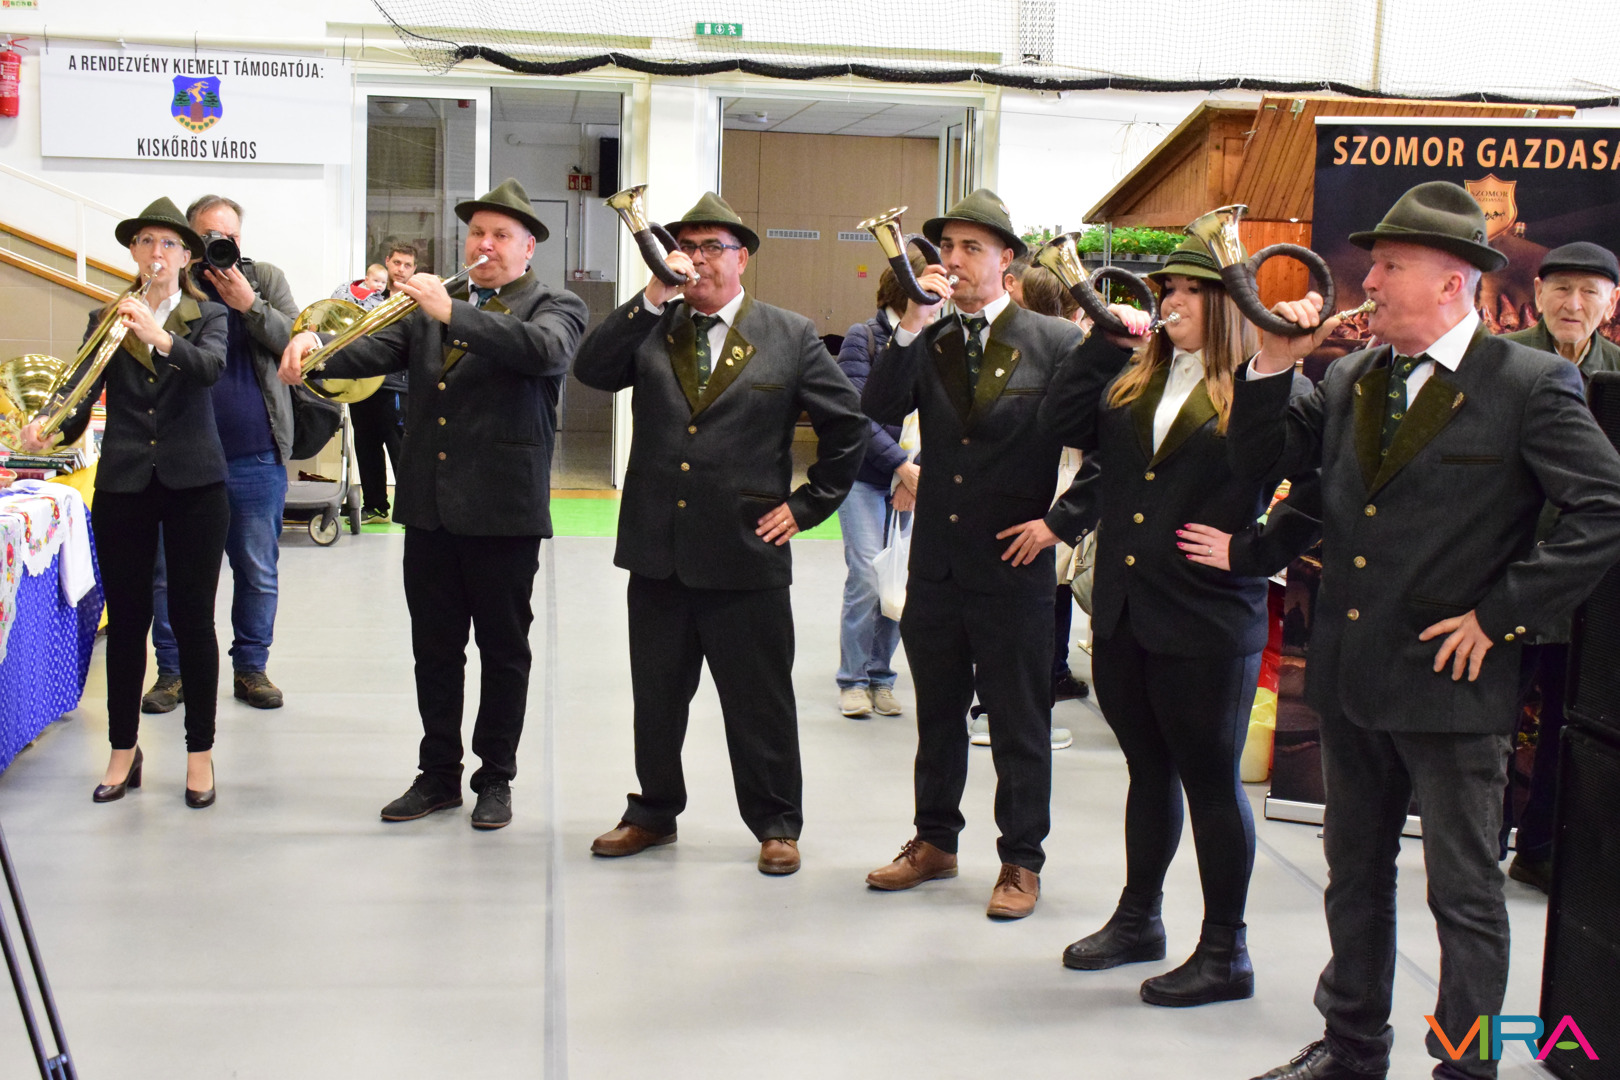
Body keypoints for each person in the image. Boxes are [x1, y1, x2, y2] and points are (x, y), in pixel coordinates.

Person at [1232, 182, 1620, 1080]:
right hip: (1353, 677)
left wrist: (1501, 616)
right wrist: (1271, 366)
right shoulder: (1352, 377)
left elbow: (1604, 507)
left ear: (1452, 283)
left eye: (1390, 266)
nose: (1368, 281)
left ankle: (1466, 1066)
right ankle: (1352, 1045)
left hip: (1454, 688)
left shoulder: (1527, 383)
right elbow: (1268, 463)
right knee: (1354, 876)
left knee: (1464, 895)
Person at [1038, 233, 1319, 1007]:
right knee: (1148, 771)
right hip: (1127, 612)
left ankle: (1226, 950)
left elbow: (1317, 486)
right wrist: (1103, 340)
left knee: (1211, 782)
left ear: (1229, 305)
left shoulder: (1271, 388)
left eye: (1192, 290)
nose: (1172, 301)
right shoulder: (1137, 376)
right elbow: (1059, 423)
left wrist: (1254, 551)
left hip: (1208, 621)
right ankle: (1139, 920)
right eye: (1168, 290)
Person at [279, 178, 588, 830]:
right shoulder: (430, 308)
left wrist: (453, 314)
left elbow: (545, 353)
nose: (484, 245)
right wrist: (314, 346)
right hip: (430, 509)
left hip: (503, 512)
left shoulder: (554, 304)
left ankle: (495, 777)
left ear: (528, 247)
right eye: (476, 233)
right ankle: (439, 774)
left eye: (500, 235)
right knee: (435, 650)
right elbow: (369, 349)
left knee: (504, 652)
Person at [575, 192, 866, 876]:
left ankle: (777, 822)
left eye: (714, 247)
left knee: (759, 700)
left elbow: (847, 427)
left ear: (742, 260)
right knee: (656, 697)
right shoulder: (655, 325)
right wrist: (652, 296)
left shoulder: (789, 334)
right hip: (658, 550)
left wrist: (807, 506)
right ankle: (652, 812)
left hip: (746, 549)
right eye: (688, 246)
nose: (699, 259)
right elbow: (591, 371)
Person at [861, 189, 1128, 919]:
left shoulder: (1055, 341)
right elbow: (874, 412)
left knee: (1019, 723)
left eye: (971, 248)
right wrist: (911, 324)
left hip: (1015, 565)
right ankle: (934, 842)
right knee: (937, 718)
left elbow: (1113, 446)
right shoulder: (930, 336)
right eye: (947, 247)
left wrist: (1060, 524)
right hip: (938, 566)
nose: (954, 260)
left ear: (1007, 260)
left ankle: (1021, 861)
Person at [23, 197, 229, 807]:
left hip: (196, 485)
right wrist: (49, 428)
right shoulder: (105, 317)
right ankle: (122, 750)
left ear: (186, 256)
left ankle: (199, 753)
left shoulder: (208, 315)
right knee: (129, 621)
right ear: (134, 253)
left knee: (193, 620)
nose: (155, 253)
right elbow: (79, 395)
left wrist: (158, 336)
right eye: (145, 242)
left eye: (168, 244)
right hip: (126, 482)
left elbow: (210, 370)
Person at [139, 195, 299, 716]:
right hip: (181, 458)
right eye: (208, 236)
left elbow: (300, 344)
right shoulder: (174, 284)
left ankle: (251, 668)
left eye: (228, 237)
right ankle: (173, 671)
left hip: (255, 453)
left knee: (257, 569)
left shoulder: (264, 279)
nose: (218, 245)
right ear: (189, 241)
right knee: (171, 572)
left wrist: (249, 304)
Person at [1499, 241, 1620, 892]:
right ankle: (1479, 845)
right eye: (1562, 289)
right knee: (1490, 721)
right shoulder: (1499, 362)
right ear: (1539, 293)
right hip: (1507, 575)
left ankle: (1542, 848)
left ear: (1611, 302)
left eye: (1590, 292)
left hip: (1587, 587)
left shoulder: (1617, 374)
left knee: (1567, 732)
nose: (1574, 304)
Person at [833, 262, 928, 719]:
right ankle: (852, 680)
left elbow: (943, 417)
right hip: (864, 478)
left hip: (912, 481)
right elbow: (856, 414)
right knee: (868, 577)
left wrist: (915, 475)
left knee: (898, 579)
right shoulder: (864, 337)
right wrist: (900, 467)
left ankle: (881, 676)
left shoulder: (937, 339)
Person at [351, 243, 419, 523]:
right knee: (365, 445)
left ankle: (412, 510)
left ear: (414, 269)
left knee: (400, 448)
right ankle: (375, 506)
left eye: (407, 265)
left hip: (396, 386)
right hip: (362, 383)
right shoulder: (366, 298)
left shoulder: (415, 303)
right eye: (397, 263)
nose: (401, 269)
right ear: (387, 262)